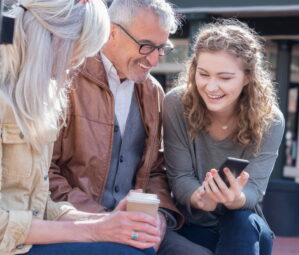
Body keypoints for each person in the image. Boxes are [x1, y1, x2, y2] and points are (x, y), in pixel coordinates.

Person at [48, 0, 212, 254]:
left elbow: (156, 169)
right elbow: (46, 173)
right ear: (110, 32)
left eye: (162, 48)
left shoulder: (153, 91)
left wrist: (160, 216)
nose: (155, 60)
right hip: (77, 223)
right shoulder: (65, 79)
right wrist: (104, 220)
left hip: (135, 226)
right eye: (147, 46)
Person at [0, 0, 162, 255]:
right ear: (53, 40)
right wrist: (94, 229)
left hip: (25, 240)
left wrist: (103, 222)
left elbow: (41, 204)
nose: (77, 64)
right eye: (78, 51)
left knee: (137, 248)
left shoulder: (36, 100)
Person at [163, 19, 285, 255]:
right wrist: (201, 198)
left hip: (244, 228)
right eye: (203, 74)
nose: (211, 86)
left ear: (248, 77)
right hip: (191, 224)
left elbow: (255, 190)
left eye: (225, 78)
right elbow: (180, 178)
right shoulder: (176, 104)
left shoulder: (270, 120)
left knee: (239, 220)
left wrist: (234, 198)